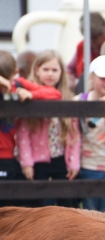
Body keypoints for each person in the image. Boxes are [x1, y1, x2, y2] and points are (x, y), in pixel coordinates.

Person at [16, 51, 81, 207]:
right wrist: (27, 163)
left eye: (54, 70)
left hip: (60, 157)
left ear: (61, 73)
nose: (50, 74)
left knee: (66, 201)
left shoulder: (66, 98)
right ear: (37, 70)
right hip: (38, 160)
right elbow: (23, 134)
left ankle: (66, 230)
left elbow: (74, 135)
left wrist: (74, 163)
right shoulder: (29, 96)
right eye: (46, 69)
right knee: (36, 202)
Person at [0, 51, 61, 207]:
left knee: (17, 204)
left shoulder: (18, 85)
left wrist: (31, 94)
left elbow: (54, 93)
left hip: (7, 156)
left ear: (15, 73)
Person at [74, 55, 105, 212]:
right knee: (89, 211)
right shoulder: (78, 102)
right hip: (86, 165)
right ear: (91, 77)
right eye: (103, 78)